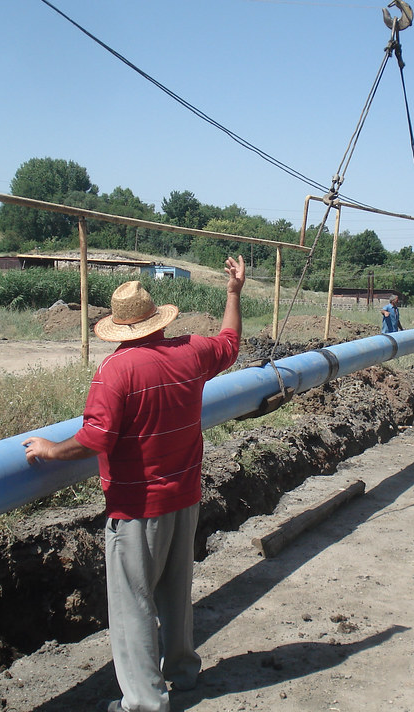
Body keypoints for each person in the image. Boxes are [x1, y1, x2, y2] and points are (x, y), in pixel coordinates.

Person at [23, 255, 246, 712]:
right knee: (175, 593)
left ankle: (144, 702)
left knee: (132, 606)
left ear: (121, 328)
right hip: (185, 498)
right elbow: (230, 342)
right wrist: (232, 293)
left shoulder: (116, 371)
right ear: (158, 320)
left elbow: (95, 437)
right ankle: (181, 673)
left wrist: (49, 450)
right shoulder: (190, 352)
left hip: (137, 507)